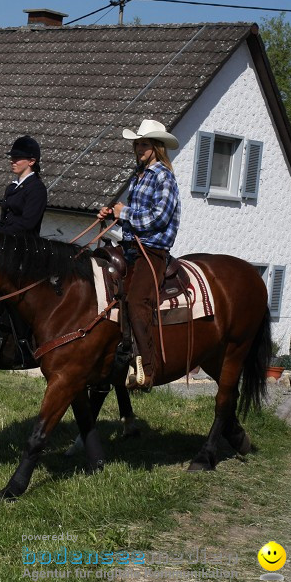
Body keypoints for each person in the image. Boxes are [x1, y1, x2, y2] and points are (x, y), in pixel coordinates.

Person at [98, 119, 181, 390]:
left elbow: (159, 217)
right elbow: (133, 219)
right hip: (132, 247)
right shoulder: (139, 175)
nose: (138, 148)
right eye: (137, 144)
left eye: (143, 143)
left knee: (136, 301)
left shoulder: (163, 176)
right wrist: (113, 214)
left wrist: (125, 214)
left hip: (153, 250)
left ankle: (148, 368)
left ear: (157, 147)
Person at [0, 135, 47, 361]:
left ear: (31, 161)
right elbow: (4, 219)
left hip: (24, 248)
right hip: (5, 244)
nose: (12, 161)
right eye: (12, 157)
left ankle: (14, 335)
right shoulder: (11, 187)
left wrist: (0, 237)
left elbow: (27, 223)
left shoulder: (37, 189)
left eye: (17, 158)